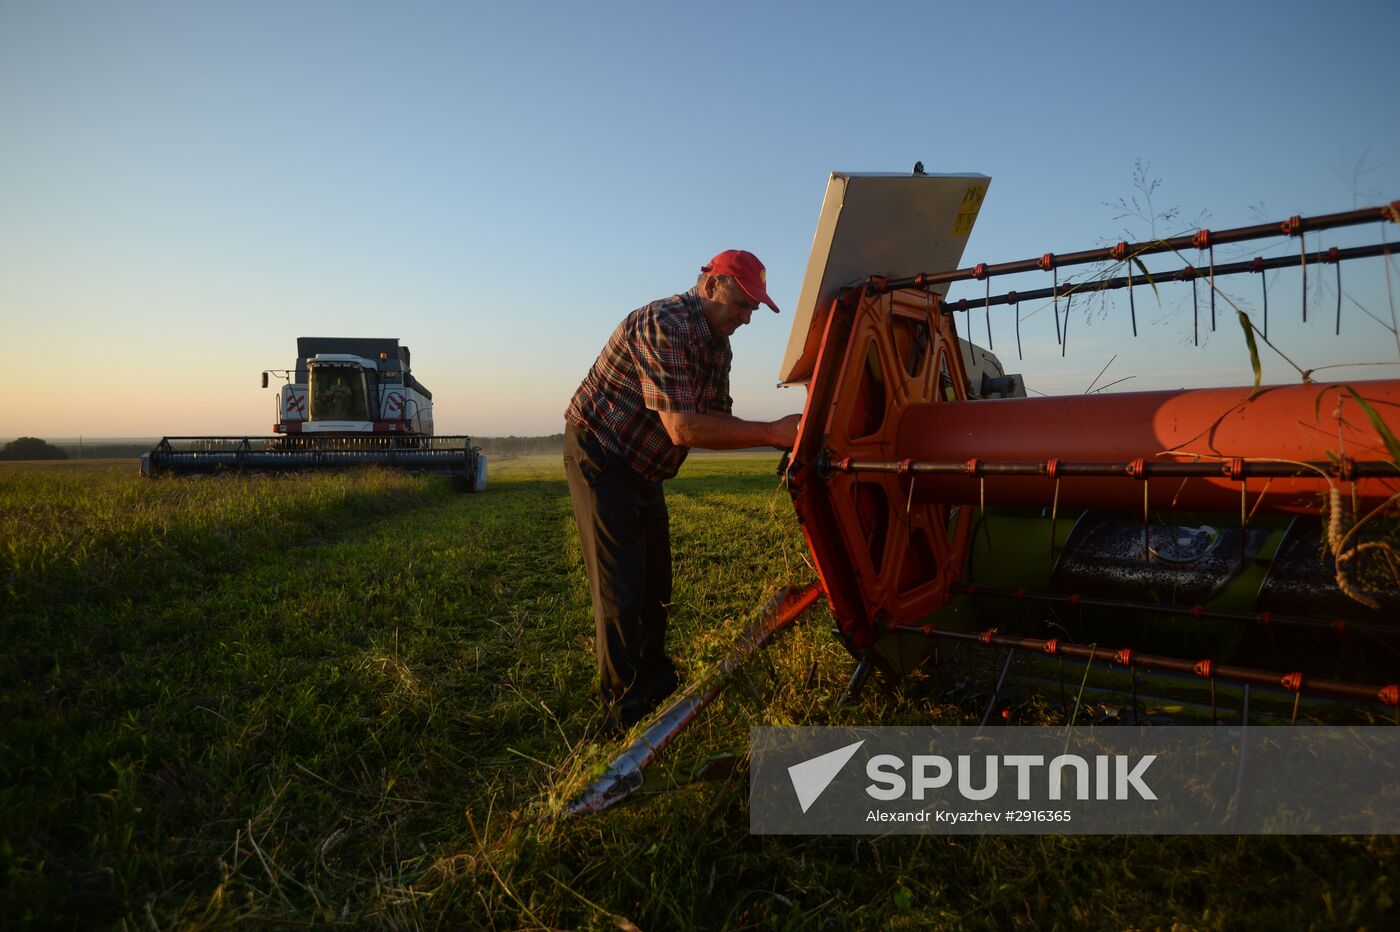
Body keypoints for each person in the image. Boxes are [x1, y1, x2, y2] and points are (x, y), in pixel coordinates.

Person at [564, 249, 803, 731]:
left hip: (646, 467)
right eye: (743, 304)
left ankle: (655, 684)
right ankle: (621, 712)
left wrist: (787, 442)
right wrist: (773, 431)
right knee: (620, 586)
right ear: (712, 285)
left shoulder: (718, 345)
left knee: (657, 584)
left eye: (754, 309)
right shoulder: (663, 323)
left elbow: (716, 419)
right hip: (602, 452)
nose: (746, 317)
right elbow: (683, 428)